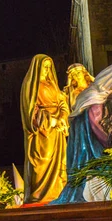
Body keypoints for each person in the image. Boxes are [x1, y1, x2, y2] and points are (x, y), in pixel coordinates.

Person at [52, 64, 112, 204]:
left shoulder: (106, 95)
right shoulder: (94, 97)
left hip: (99, 141)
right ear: (111, 79)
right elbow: (96, 125)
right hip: (89, 146)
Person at [20, 54, 69, 203]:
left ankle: (58, 193)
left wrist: (62, 117)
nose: (47, 70)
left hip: (57, 131)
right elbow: (31, 111)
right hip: (42, 132)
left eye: (49, 67)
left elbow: (63, 103)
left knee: (60, 162)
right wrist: (51, 120)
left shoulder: (53, 85)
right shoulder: (31, 85)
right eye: (44, 67)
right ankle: (39, 195)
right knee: (43, 161)